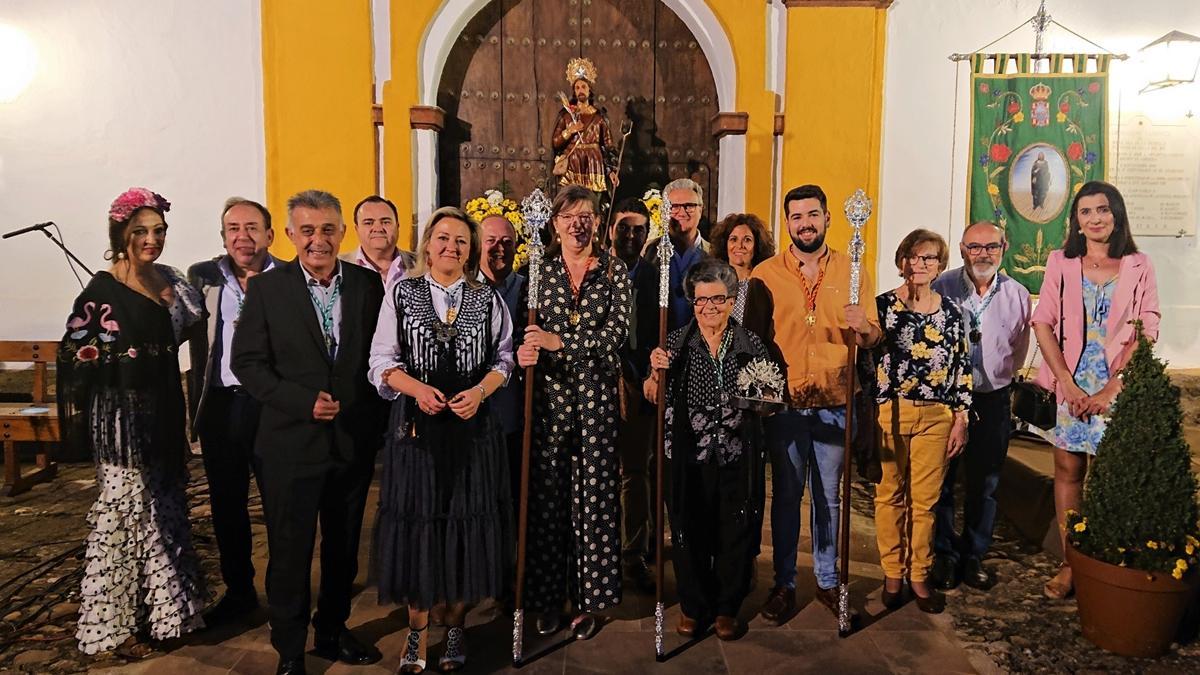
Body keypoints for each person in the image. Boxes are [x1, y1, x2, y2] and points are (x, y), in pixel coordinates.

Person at [231, 189, 386, 675]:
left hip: (350, 442)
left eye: (327, 230)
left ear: (342, 233)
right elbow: (247, 363)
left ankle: (333, 630)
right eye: (308, 230)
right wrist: (301, 402)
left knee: (343, 550)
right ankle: (291, 649)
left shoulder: (367, 285)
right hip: (289, 444)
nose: (318, 240)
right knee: (290, 551)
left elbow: (379, 354)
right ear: (291, 234)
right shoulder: (267, 290)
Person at [58, 187, 206, 657]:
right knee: (124, 513)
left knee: (164, 509)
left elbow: (191, 329)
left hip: (164, 411)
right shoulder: (102, 291)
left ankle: (166, 615)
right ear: (120, 234)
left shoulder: (172, 280)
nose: (151, 239)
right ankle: (113, 625)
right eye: (140, 231)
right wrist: (115, 362)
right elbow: (75, 354)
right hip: (122, 421)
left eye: (159, 230)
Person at [369, 206, 515, 673]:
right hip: (417, 432)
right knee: (420, 527)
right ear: (428, 244)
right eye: (443, 238)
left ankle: (455, 624)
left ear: (470, 251)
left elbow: (504, 360)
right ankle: (416, 630)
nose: (451, 246)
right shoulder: (402, 293)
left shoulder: (487, 299)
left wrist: (479, 392)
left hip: (473, 433)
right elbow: (381, 361)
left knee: (463, 527)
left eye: (461, 240)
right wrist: (416, 389)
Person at [750, 184, 882, 624]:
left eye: (812, 215)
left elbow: (872, 337)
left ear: (827, 217)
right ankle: (784, 583)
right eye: (796, 217)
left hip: (835, 398)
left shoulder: (853, 269)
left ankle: (827, 580)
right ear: (787, 222)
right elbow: (753, 339)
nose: (805, 224)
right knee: (787, 496)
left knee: (829, 497)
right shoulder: (766, 274)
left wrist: (864, 327)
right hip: (786, 402)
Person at [1031, 180, 1160, 600]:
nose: (1095, 218)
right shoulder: (1061, 262)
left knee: (1110, 475)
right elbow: (1042, 322)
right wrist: (1066, 384)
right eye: (1085, 212)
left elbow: (1148, 328)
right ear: (1076, 221)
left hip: (1116, 383)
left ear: (1116, 215)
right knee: (1069, 471)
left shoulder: (1139, 264)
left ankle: (1105, 560)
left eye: (1102, 209)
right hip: (1070, 378)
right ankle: (1072, 562)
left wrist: (1113, 388)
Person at [644, 259, 778, 641]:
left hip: (736, 453)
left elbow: (769, 398)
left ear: (732, 300)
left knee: (734, 529)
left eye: (718, 299)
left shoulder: (750, 344)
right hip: (688, 455)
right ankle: (693, 605)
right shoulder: (674, 344)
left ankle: (726, 608)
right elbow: (652, 394)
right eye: (701, 300)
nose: (709, 308)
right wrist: (655, 374)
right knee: (689, 529)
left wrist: (764, 400)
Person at [517, 185, 629, 640]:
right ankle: (548, 598)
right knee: (548, 501)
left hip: (597, 403)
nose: (577, 224)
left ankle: (589, 601)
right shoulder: (537, 272)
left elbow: (615, 335)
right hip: (550, 404)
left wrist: (559, 342)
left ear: (597, 222)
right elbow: (523, 333)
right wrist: (528, 348)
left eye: (585, 216)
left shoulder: (615, 272)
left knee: (595, 502)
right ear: (555, 223)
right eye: (568, 216)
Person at [186, 197, 284, 624]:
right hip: (222, 405)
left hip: (272, 406)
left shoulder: (288, 277)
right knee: (227, 505)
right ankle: (239, 592)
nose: (243, 237)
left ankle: (284, 592)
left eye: (252, 228)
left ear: (270, 234)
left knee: (280, 504)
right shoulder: (203, 278)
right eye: (233, 229)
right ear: (223, 237)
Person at [872, 229, 973, 614]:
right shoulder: (883, 307)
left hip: (936, 416)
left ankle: (919, 574)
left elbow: (962, 366)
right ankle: (892, 572)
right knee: (889, 496)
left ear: (940, 264)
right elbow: (866, 353)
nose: (920, 264)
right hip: (892, 410)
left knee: (925, 501)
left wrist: (961, 418)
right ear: (902, 261)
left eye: (929, 257)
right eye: (913, 257)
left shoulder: (952, 313)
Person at [930, 222, 1031, 591]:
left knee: (985, 483)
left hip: (992, 398)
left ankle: (974, 554)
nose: (983, 254)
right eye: (975, 247)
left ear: (1004, 248)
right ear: (962, 249)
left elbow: (1018, 349)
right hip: (946, 400)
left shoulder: (1018, 295)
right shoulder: (941, 287)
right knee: (942, 479)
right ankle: (943, 553)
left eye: (991, 247)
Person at [607, 197, 657, 591]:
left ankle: (632, 552)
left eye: (638, 229)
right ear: (611, 229)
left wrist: (648, 373)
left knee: (635, 471)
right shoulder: (595, 271)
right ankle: (598, 549)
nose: (630, 235)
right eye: (624, 227)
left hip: (638, 382)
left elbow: (659, 328)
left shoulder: (655, 276)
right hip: (596, 382)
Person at [552, 57, 617, 200]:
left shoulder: (599, 117)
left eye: (583, 87)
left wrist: (611, 171)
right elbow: (556, 142)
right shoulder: (566, 115)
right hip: (573, 163)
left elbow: (608, 146)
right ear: (574, 92)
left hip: (594, 164)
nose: (580, 90)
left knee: (593, 201)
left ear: (589, 90)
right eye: (577, 88)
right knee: (571, 201)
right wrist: (570, 131)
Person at [709, 212, 776, 337]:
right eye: (733, 239)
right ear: (725, 244)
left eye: (747, 240)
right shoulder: (712, 284)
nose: (740, 246)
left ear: (757, 246)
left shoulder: (765, 285)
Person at [340, 195, 416, 283]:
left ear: (397, 226)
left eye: (386, 222)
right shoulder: (336, 267)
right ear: (357, 229)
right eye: (368, 223)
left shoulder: (422, 265)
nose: (378, 229)